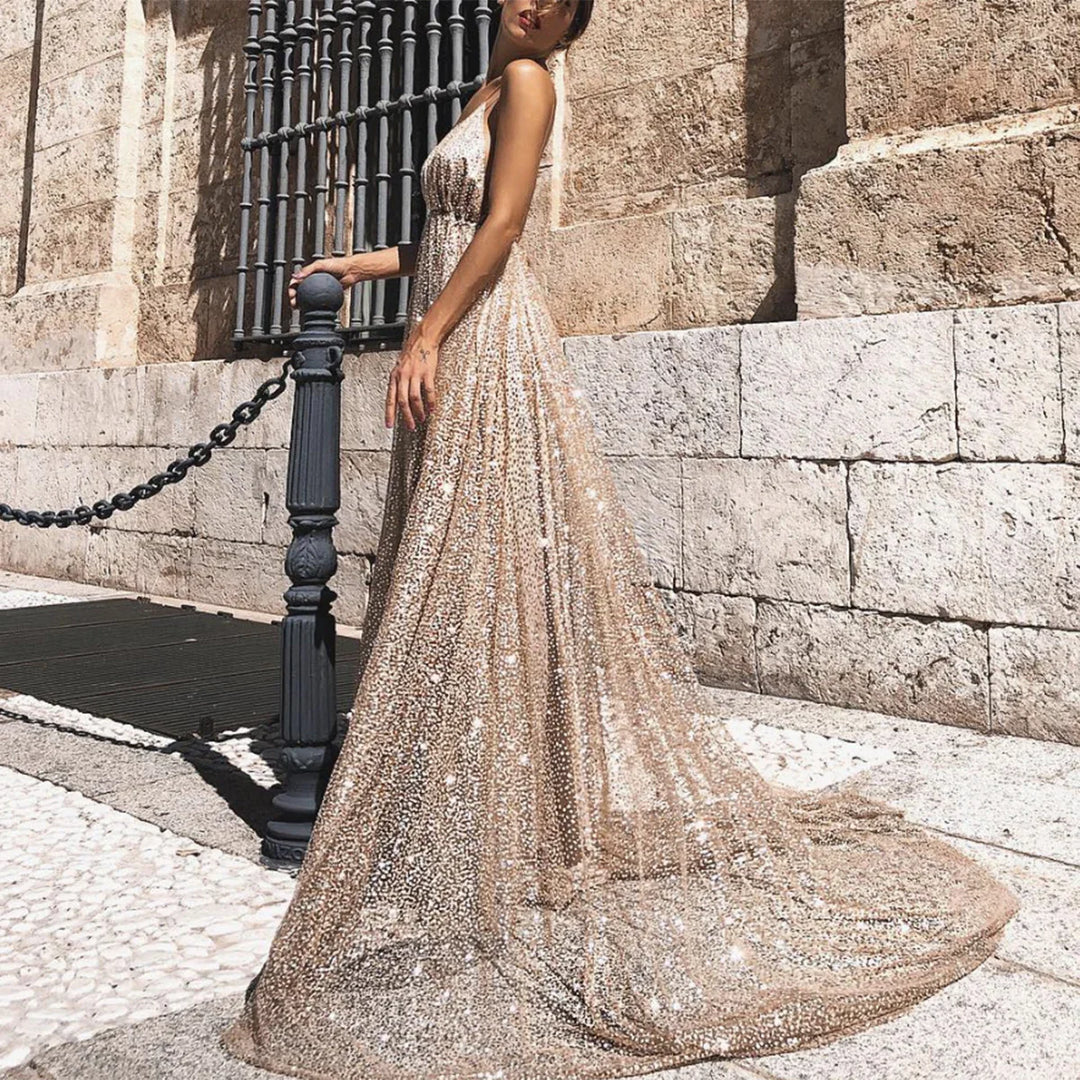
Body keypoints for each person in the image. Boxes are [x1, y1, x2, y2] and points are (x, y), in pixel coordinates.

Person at [221, 2, 1018, 1077]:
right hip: (457, 318)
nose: (532, 5)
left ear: (569, 21)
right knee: (454, 560)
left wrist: (427, 331)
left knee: (485, 555)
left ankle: (504, 811)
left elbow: (503, 229)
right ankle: (492, 803)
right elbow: (446, 230)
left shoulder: (536, 82)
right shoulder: (485, 86)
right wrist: (362, 268)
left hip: (488, 335)